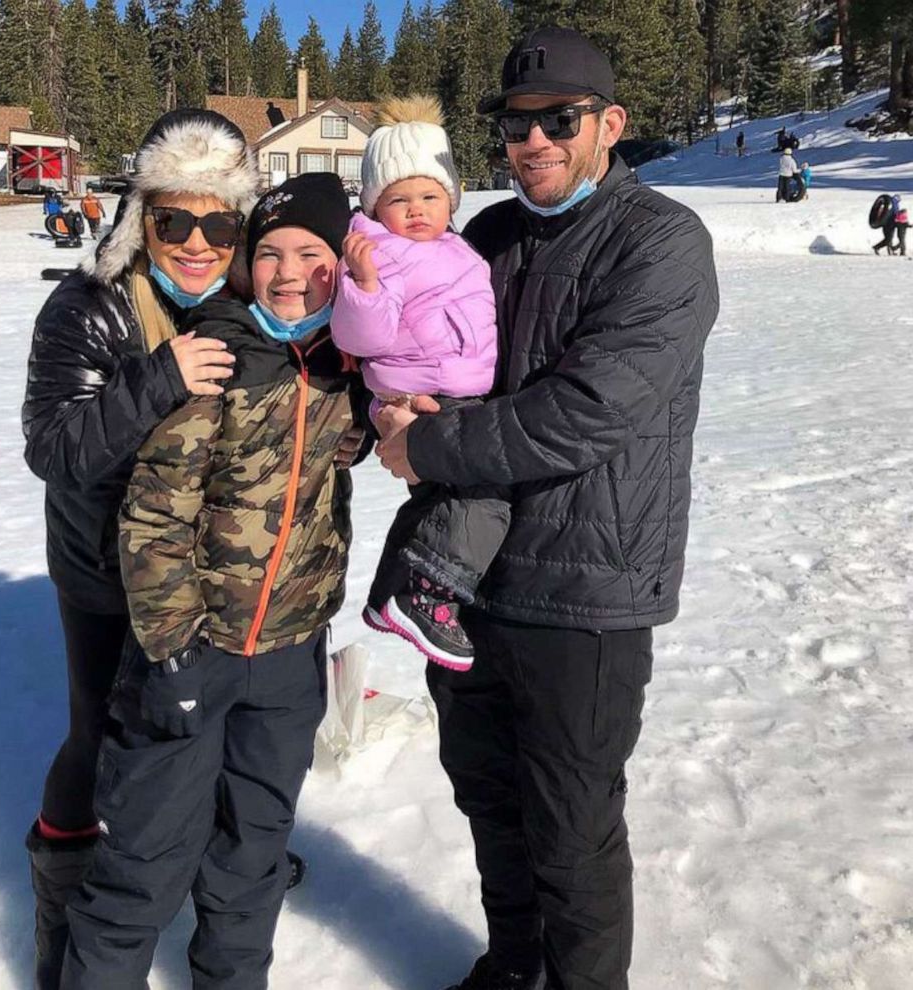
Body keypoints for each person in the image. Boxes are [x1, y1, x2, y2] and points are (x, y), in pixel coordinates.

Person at [374, 25, 719, 990]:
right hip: (469, 579)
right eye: (516, 124)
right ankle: (511, 969)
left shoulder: (662, 243)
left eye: (558, 120)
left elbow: (587, 413)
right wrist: (389, 401)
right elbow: (405, 339)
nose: (533, 142)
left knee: (571, 833)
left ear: (610, 123)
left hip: (587, 591)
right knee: (489, 803)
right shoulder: (484, 238)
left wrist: (428, 443)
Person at [60, 172, 368, 989]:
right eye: (269, 253)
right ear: (245, 267)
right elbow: (154, 518)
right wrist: (174, 652)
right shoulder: (216, 358)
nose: (290, 271)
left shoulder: (349, 366)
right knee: (142, 868)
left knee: (251, 865)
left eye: (311, 252)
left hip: (290, 661)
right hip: (192, 655)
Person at [22, 108, 255, 990]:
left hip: (208, 578)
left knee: (205, 736)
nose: (196, 243)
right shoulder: (88, 308)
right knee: (98, 736)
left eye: (218, 222)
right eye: (174, 220)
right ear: (138, 220)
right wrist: (160, 377)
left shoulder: (246, 308)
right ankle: (61, 918)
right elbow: (55, 448)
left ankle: (208, 875)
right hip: (103, 576)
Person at [330, 94, 500, 671]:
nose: (417, 210)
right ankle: (426, 594)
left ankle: (392, 594)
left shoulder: (456, 246)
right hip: (423, 389)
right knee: (484, 498)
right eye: (398, 200)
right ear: (377, 207)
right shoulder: (380, 253)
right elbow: (361, 336)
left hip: (460, 387)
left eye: (429, 196)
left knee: (442, 501)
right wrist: (366, 283)